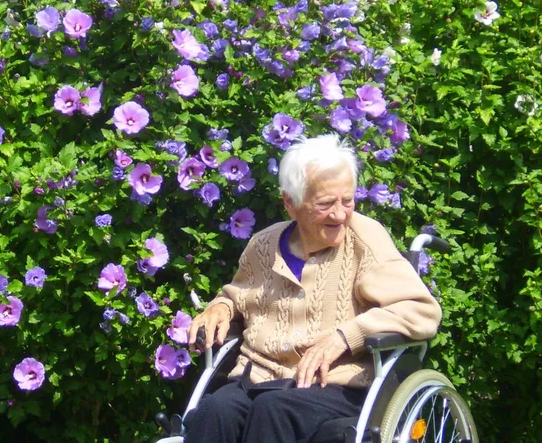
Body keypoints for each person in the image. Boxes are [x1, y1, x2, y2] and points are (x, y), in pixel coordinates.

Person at [186, 134, 442, 443]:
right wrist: (220, 307)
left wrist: (344, 338)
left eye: (347, 201)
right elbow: (238, 295)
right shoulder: (263, 245)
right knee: (215, 410)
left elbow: (421, 310)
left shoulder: (364, 240)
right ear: (290, 203)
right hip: (257, 378)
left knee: (272, 410)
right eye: (325, 204)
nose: (339, 214)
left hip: (335, 386)